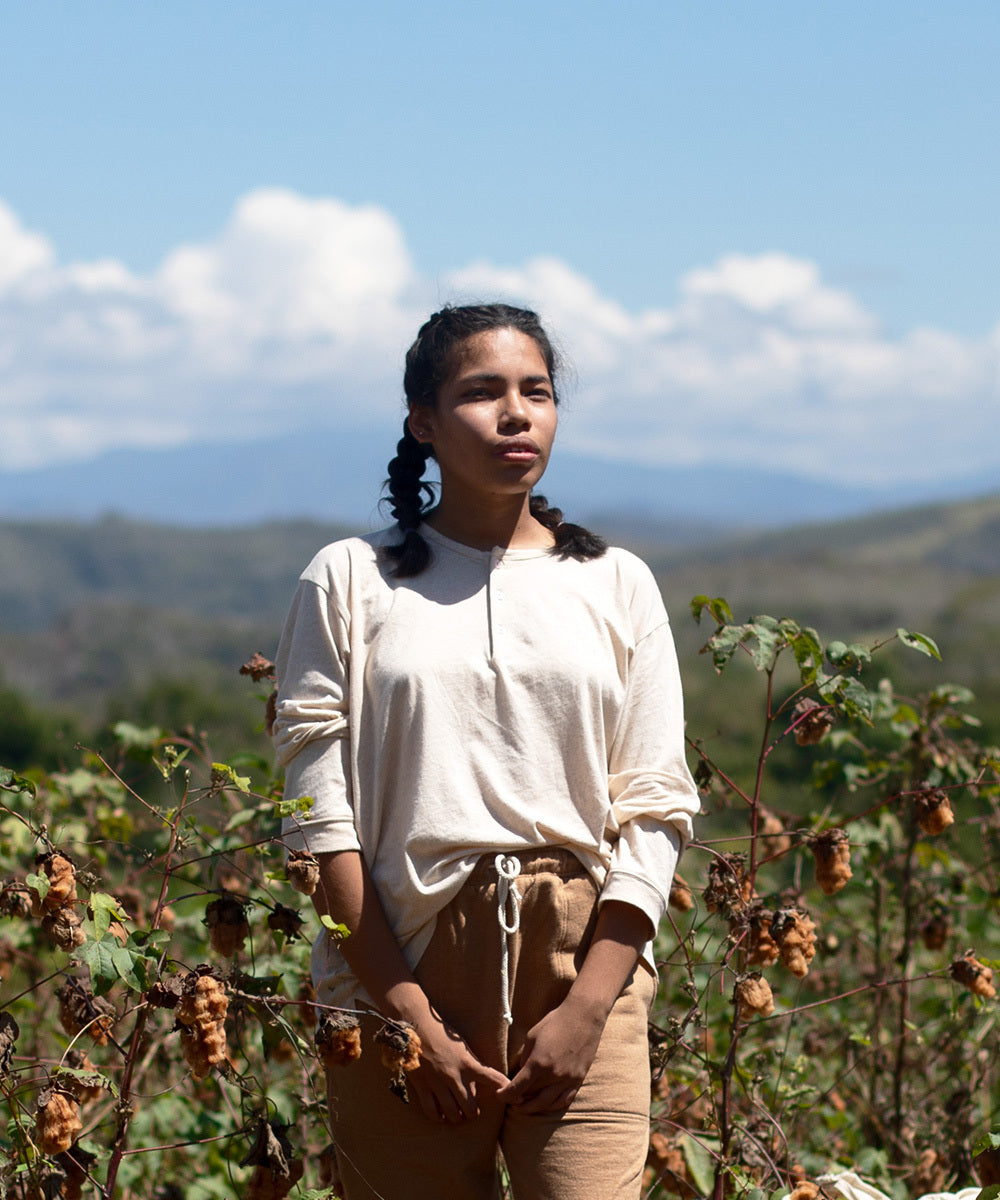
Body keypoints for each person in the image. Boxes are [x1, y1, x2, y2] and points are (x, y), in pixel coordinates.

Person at [271, 303, 700, 1200]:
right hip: (400, 956)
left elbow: (656, 809)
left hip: (585, 965)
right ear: (422, 422)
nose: (516, 414)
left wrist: (589, 1010)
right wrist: (408, 1017)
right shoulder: (350, 579)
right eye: (482, 393)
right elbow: (316, 823)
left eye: (535, 392)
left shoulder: (617, 584)